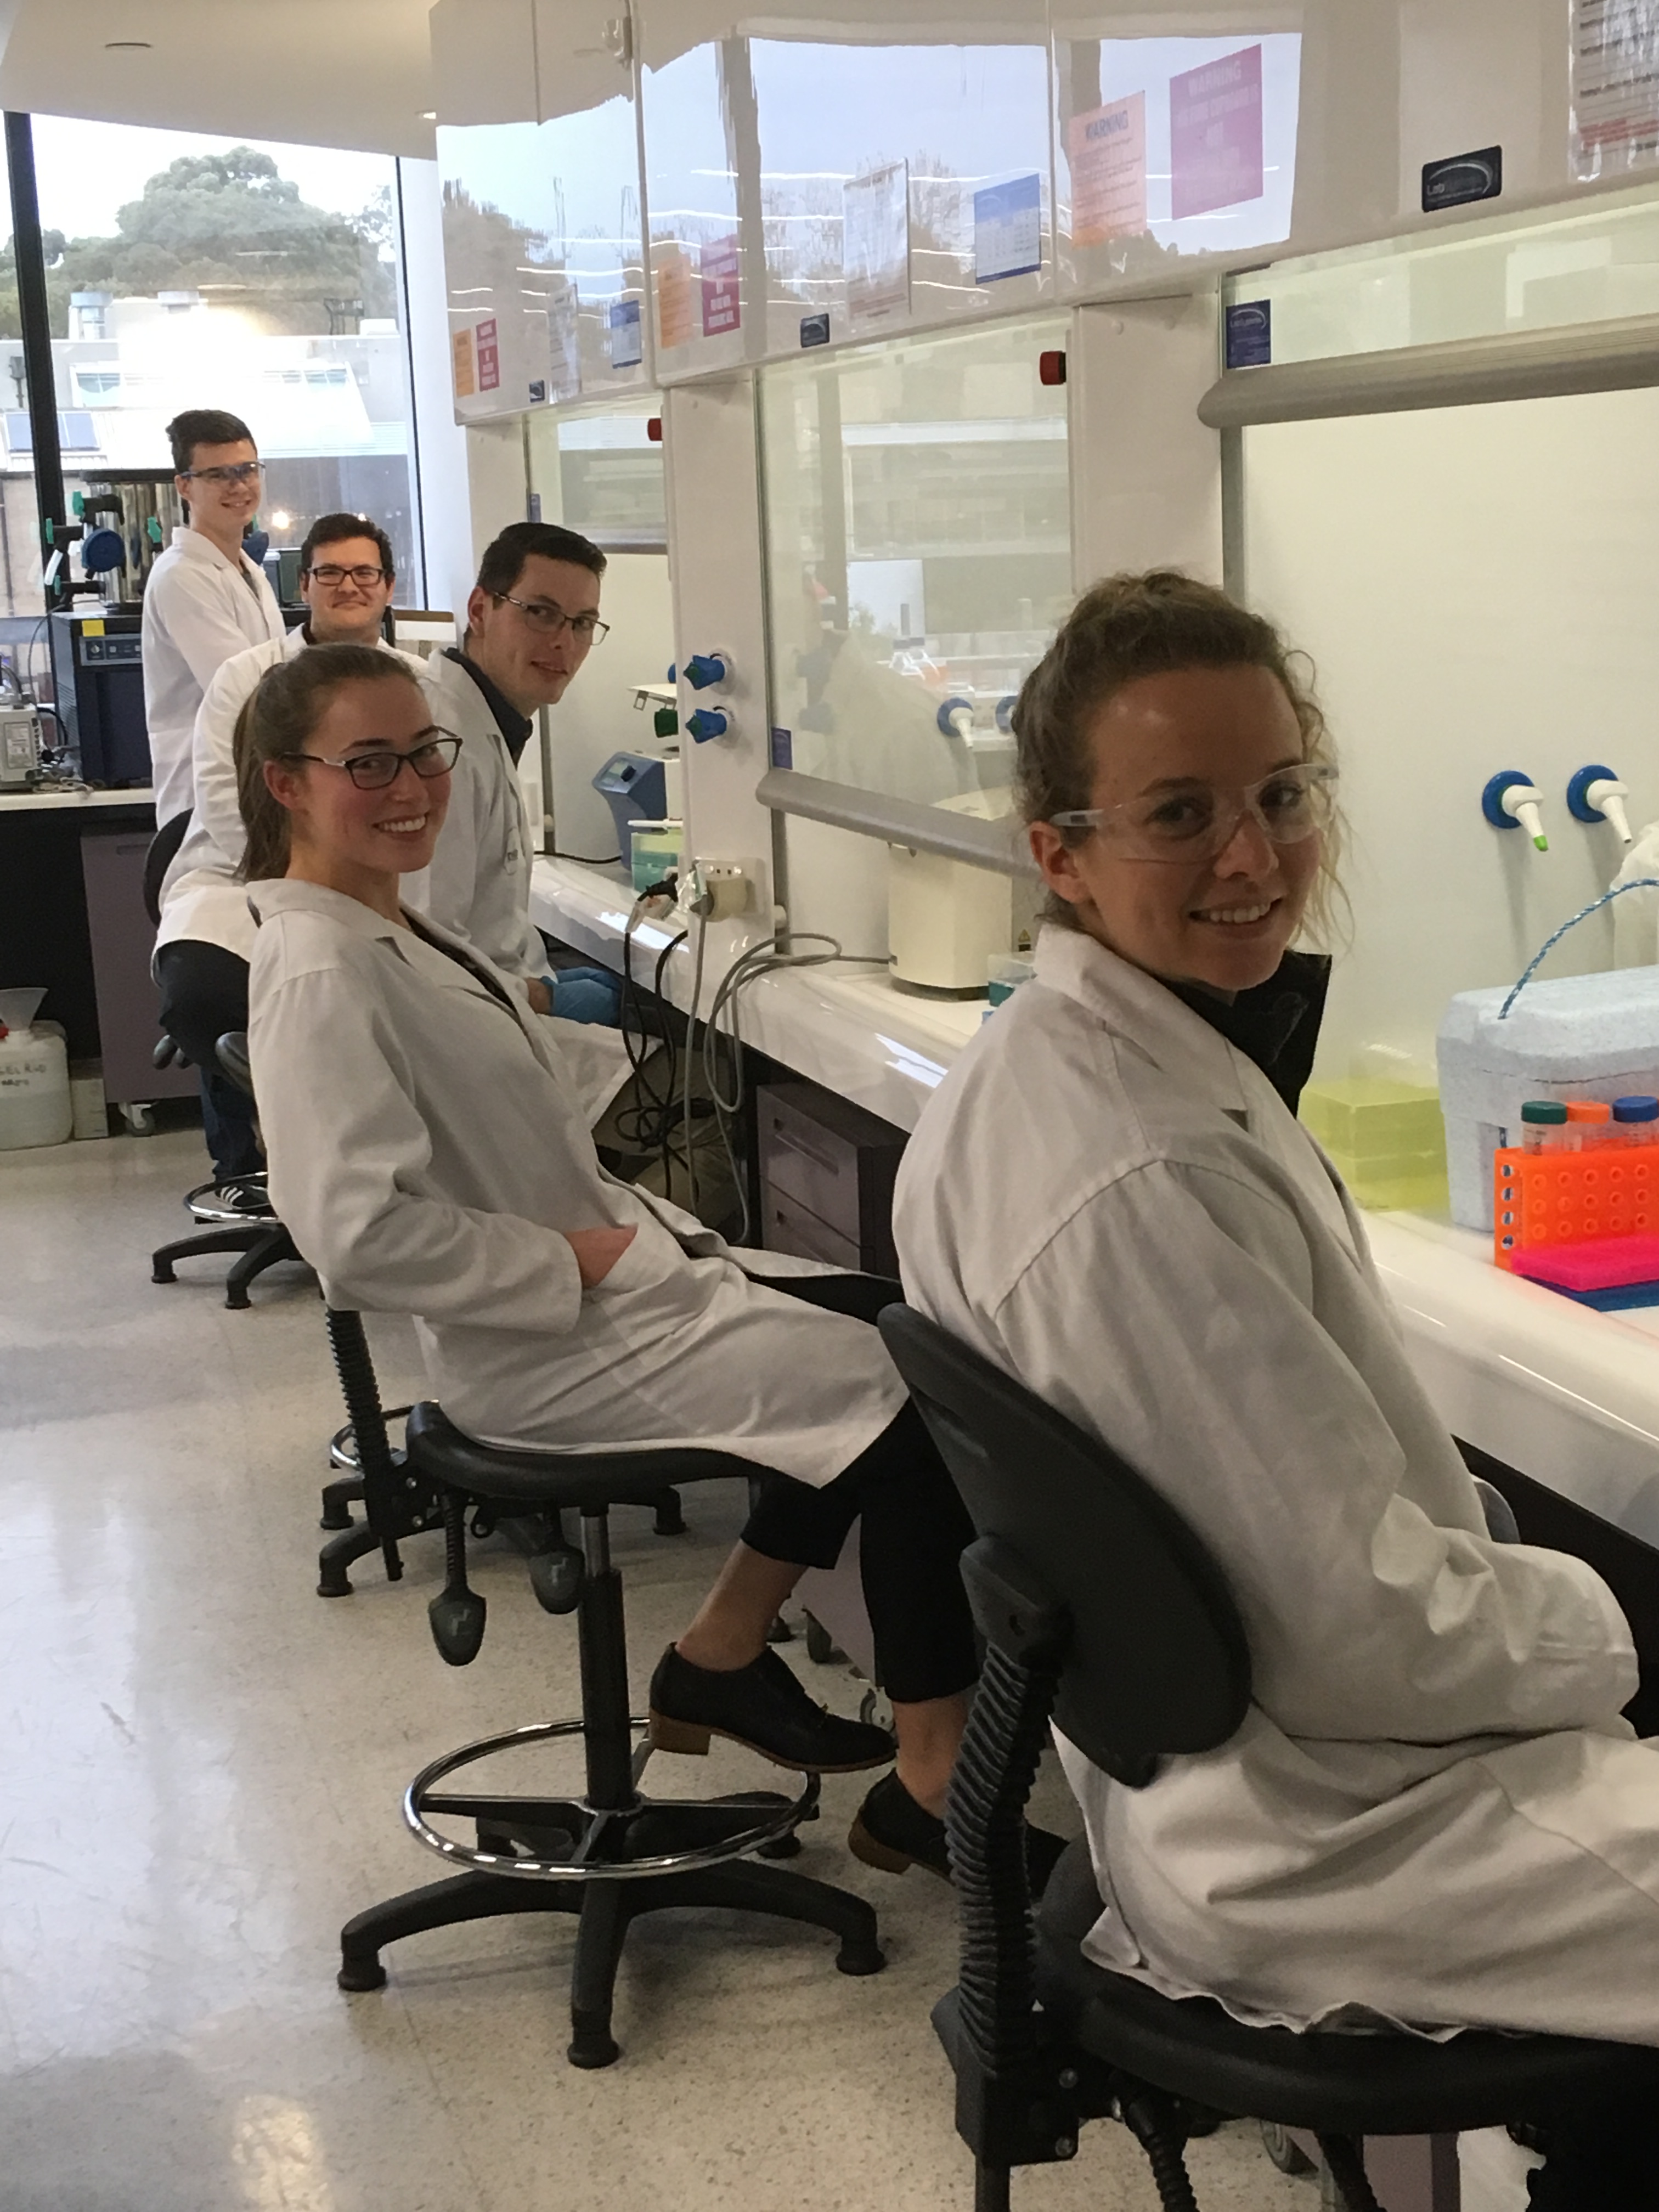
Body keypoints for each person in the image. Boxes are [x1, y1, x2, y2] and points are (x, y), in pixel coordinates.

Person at [894, 571, 1659, 2205]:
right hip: (1332, 1830)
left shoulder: (1058, 1065)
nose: (1253, 858)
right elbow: (1356, 1630)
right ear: (1059, 853)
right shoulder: (1139, 1172)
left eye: (1282, 796)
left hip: (1267, 1773)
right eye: (1180, 814)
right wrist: (1608, 1628)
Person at [238, 645, 1058, 1884]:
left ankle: (720, 1652)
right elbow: (351, 1234)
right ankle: (934, 1785)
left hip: (600, 1288)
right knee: (916, 1404)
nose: (410, 786)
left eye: (424, 753)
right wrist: (570, 1258)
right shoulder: (319, 966)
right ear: (285, 783)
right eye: (368, 763)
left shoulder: (386, 921)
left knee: (888, 1322)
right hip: (541, 1347)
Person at [153, 512, 413, 1188]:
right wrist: (313, 883)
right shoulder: (247, 678)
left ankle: (360, 1175)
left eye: (365, 573)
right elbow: (225, 802)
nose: (348, 586)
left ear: (389, 587)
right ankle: (252, 1169)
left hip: (378, 894)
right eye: (331, 573)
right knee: (222, 996)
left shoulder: (419, 685)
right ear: (304, 584)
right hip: (240, 887)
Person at [421, 520, 621, 1025]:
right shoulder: (441, 748)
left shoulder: (484, 722)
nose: (563, 643)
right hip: (475, 1028)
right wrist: (545, 999)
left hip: (501, 1004)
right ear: (479, 610)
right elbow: (428, 955)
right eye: (541, 613)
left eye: (582, 623)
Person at [142, 408, 285, 830]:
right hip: (204, 807)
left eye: (247, 470)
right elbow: (244, 692)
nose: (238, 485)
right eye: (218, 475)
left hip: (250, 795)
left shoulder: (248, 570)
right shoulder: (182, 576)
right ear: (184, 485)